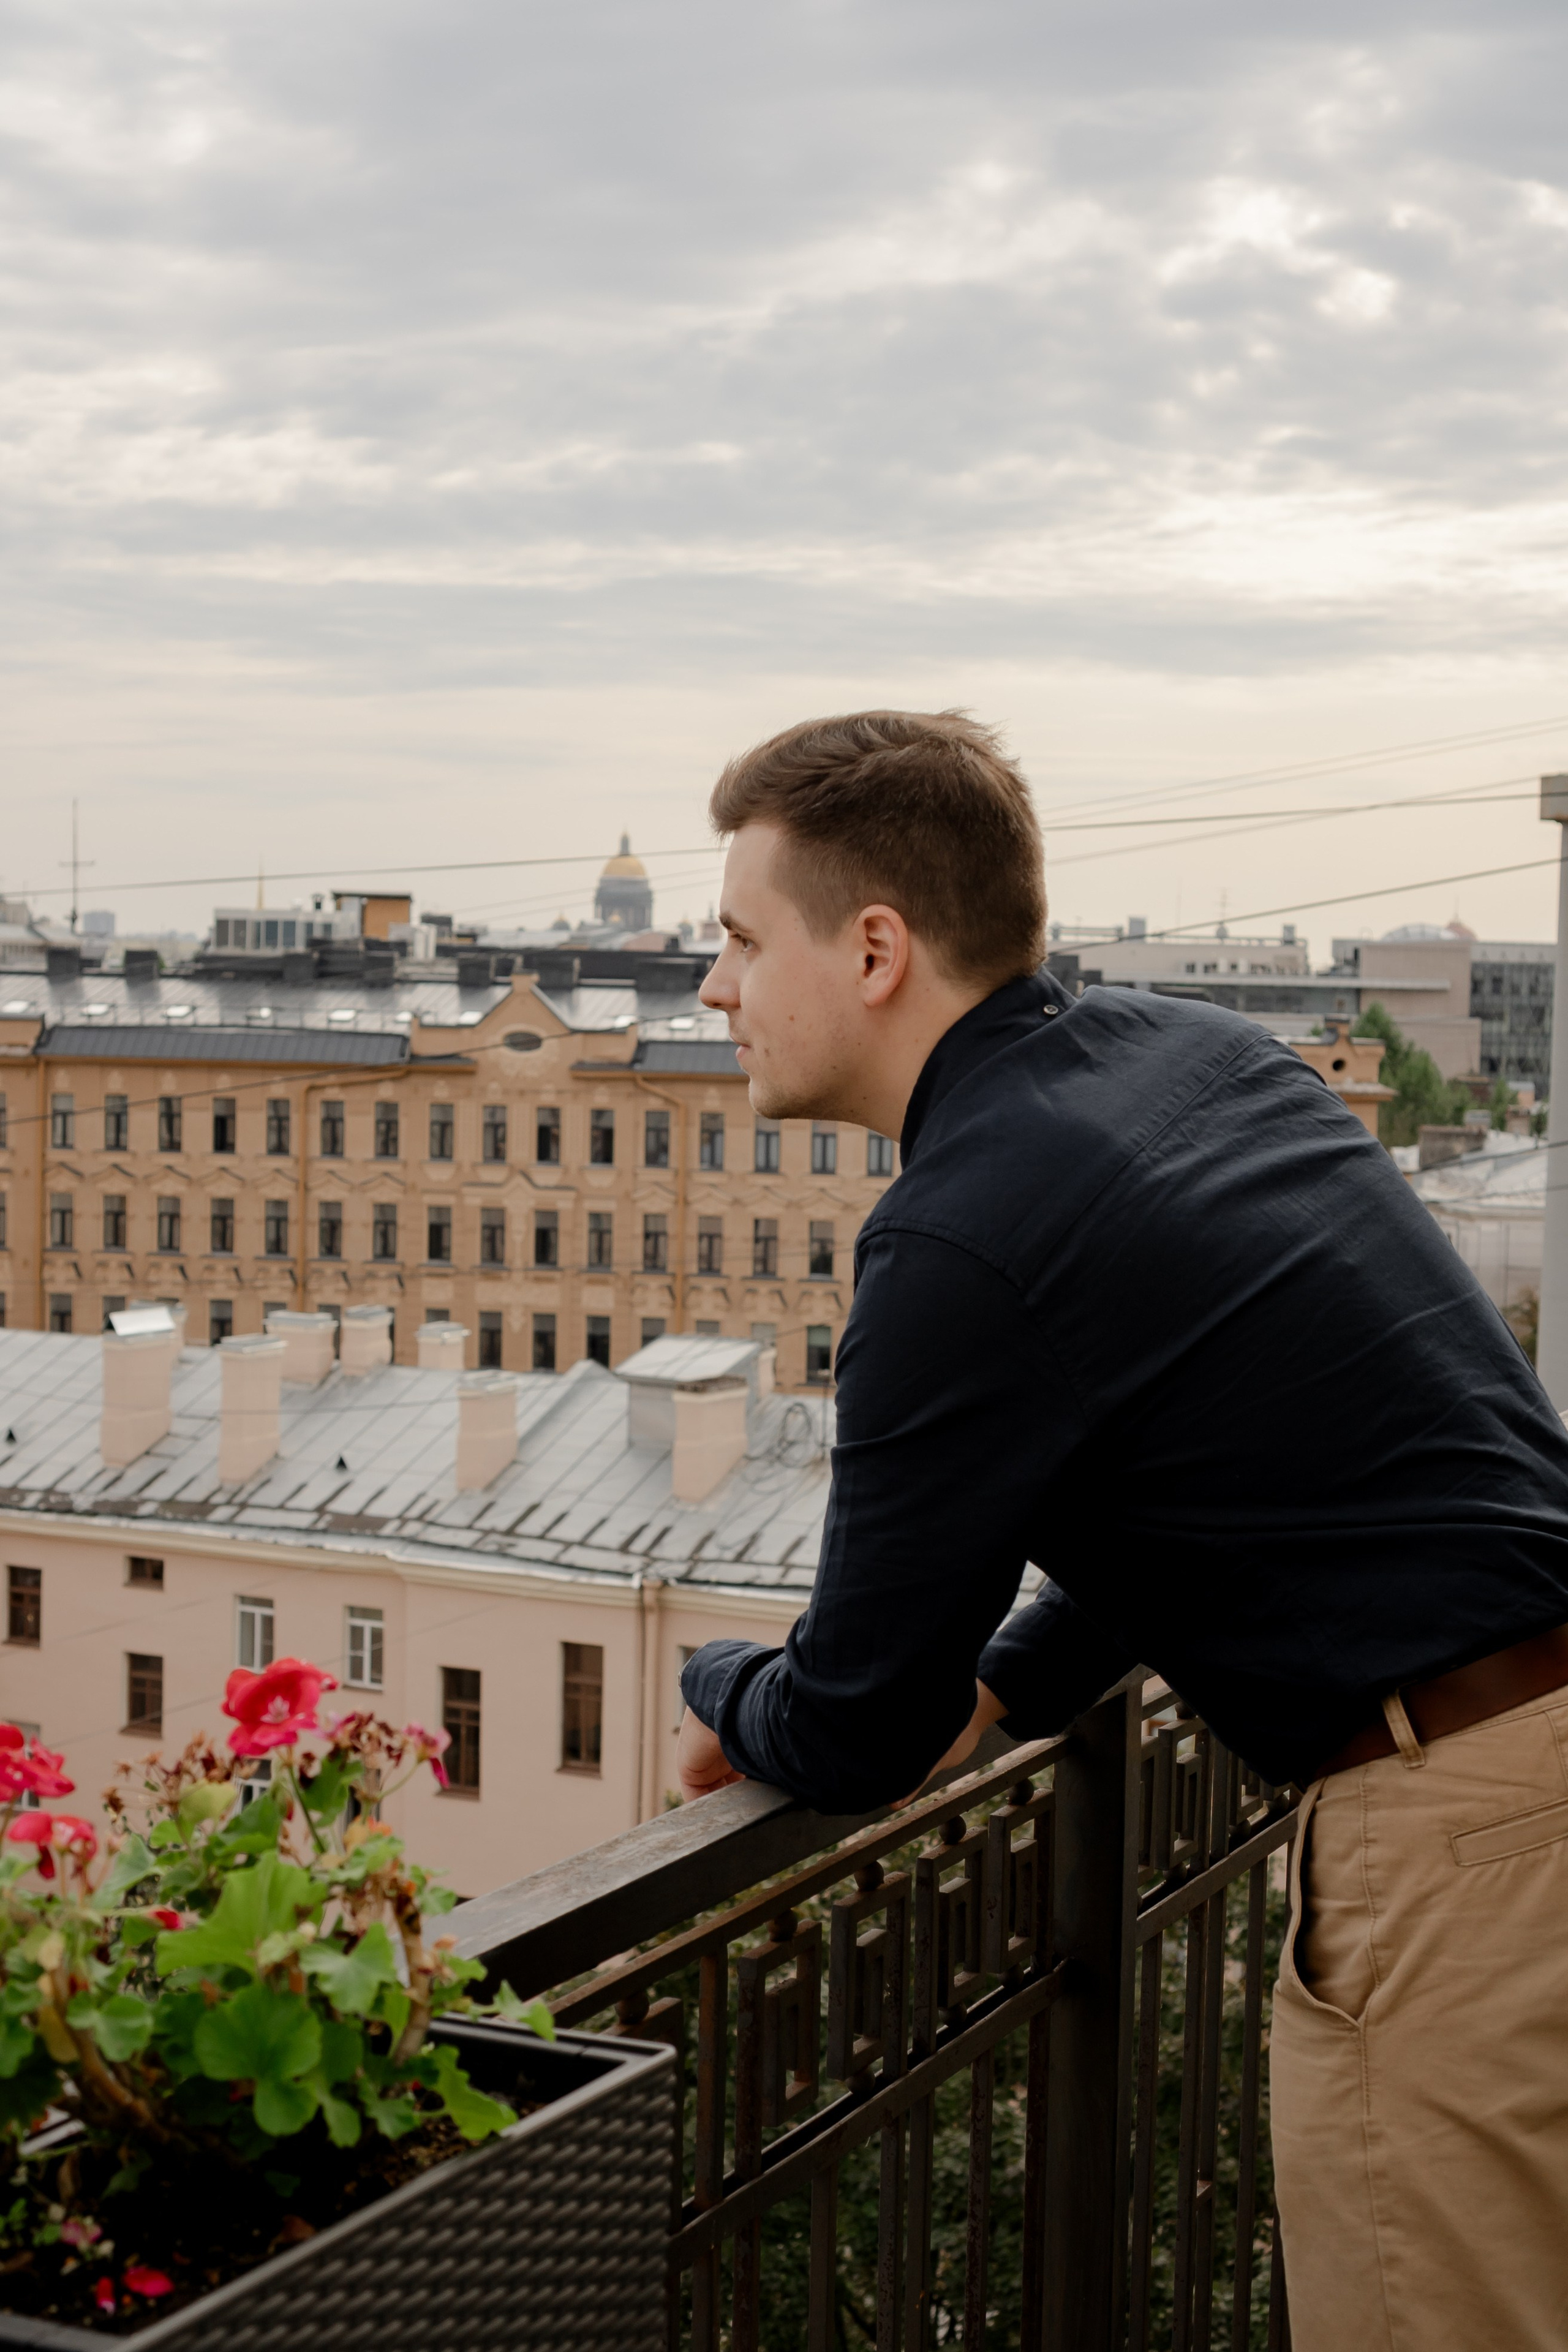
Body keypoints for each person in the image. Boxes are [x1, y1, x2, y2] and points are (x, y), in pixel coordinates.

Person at [674, 707, 1568, 2352]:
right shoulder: (1191, 1058)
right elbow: (1201, 1438)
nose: (711, 989)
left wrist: (713, 1683)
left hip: (1463, 1849)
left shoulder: (956, 1237)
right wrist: (1016, 1678)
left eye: (739, 939)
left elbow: (859, 1720)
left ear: (874, 949)